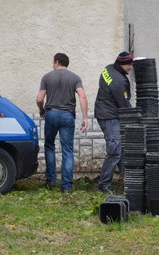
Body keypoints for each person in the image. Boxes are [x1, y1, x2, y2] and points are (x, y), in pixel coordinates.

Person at [36, 53, 88, 193]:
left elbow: (40, 98)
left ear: (57, 62)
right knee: (67, 150)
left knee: (49, 146)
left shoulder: (47, 77)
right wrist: (84, 117)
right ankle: (66, 187)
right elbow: (82, 96)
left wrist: (42, 110)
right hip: (67, 115)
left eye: (53, 62)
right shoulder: (75, 78)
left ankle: (51, 180)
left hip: (51, 114)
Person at [94, 51, 133, 193]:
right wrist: (135, 115)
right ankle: (103, 185)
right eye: (129, 65)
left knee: (120, 149)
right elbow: (123, 102)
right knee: (115, 151)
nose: (131, 68)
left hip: (103, 111)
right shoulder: (119, 81)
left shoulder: (108, 68)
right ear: (123, 64)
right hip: (109, 116)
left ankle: (129, 181)